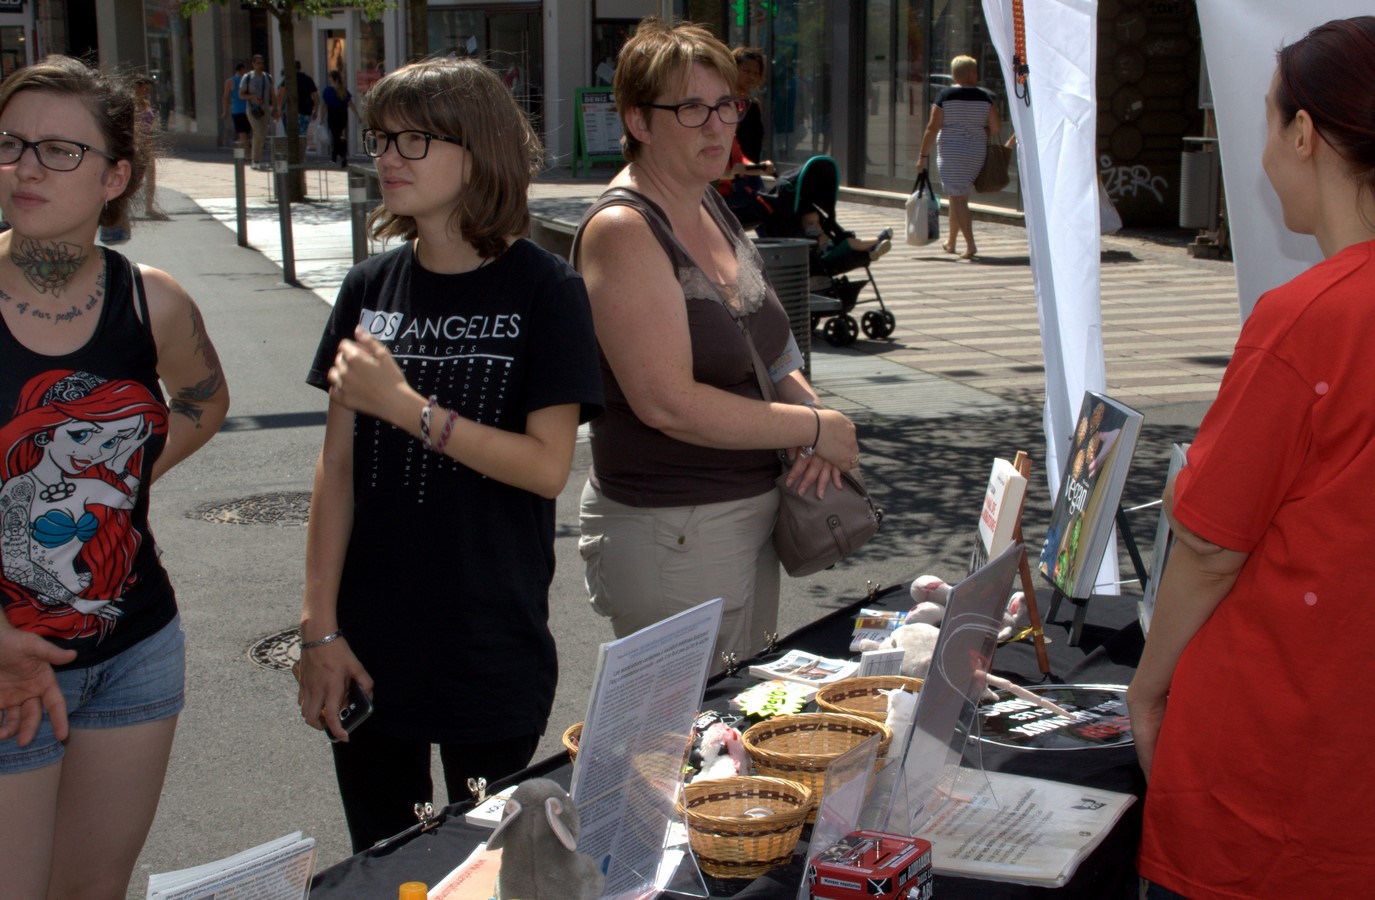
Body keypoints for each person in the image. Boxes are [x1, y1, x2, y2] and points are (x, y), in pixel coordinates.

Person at [299, 57, 603, 852]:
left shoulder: (545, 290)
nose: (387, 157)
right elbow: (334, 472)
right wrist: (318, 630)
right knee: (382, 864)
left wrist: (405, 407)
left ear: (479, 149)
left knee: (488, 867)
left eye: (414, 139)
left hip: (487, 643)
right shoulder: (369, 287)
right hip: (368, 646)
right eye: (379, 139)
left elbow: (545, 467)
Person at [1127, 16, 1375, 899]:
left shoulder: (1308, 318)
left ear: (1303, 134)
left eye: (1271, 124)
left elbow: (1207, 545)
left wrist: (1147, 689)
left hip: (1287, 751)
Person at [0, 56, 230, 898]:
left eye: (60, 151)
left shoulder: (151, 303)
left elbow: (203, 400)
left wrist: (116, 492)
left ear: (115, 176)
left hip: (132, 652)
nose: (26, 167)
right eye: (12, 144)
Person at [573, 17, 860, 668]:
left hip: (742, 514)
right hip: (673, 529)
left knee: (730, 726)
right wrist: (813, 428)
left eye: (726, 105)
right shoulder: (624, 229)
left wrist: (809, 417)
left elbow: (774, 347)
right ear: (638, 121)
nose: (716, 125)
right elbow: (665, 403)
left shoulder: (706, 201)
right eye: (690, 108)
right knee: (686, 743)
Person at [916, 55, 1001, 259]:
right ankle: (952, 242)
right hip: (975, 152)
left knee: (958, 197)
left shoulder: (945, 95)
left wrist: (922, 155)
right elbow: (996, 128)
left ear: (955, 74)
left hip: (951, 151)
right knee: (958, 196)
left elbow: (932, 127)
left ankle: (971, 245)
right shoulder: (986, 97)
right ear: (973, 73)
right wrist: (979, 134)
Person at [133, 75, 167, 221]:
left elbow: (149, 124)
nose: (146, 92)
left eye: (149, 89)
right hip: (136, 144)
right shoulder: (132, 103)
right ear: (137, 88)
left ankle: (149, 208)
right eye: (144, 89)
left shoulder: (146, 103)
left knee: (150, 176)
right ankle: (121, 206)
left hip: (148, 144)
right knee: (136, 178)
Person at [238, 54, 276, 170]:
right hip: (252, 110)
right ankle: (255, 159)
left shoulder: (267, 77)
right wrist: (252, 97)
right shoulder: (248, 77)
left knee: (261, 135)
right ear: (253, 64)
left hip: (264, 110)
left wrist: (276, 108)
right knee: (258, 131)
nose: (261, 65)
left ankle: (257, 160)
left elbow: (272, 94)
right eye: (258, 63)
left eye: (262, 63)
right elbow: (241, 94)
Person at [321, 70, 358, 168]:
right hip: (342, 114)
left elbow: (324, 105)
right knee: (339, 135)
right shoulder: (343, 91)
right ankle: (340, 155)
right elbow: (350, 104)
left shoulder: (328, 91)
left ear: (332, 79)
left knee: (335, 135)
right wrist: (357, 115)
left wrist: (321, 118)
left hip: (333, 114)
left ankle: (338, 155)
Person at [278, 60, 319, 138]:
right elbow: (316, 98)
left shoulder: (289, 79)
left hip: (292, 111)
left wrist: (279, 108)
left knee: (291, 136)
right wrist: (315, 111)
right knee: (302, 135)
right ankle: (301, 149)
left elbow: (280, 95)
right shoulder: (308, 79)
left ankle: (294, 150)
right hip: (306, 111)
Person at [222, 61, 250, 149]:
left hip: (237, 110)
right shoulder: (248, 80)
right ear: (242, 69)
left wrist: (225, 111)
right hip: (248, 109)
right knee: (246, 133)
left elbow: (226, 97)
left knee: (241, 133)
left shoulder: (229, 82)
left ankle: (247, 154)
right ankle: (247, 152)